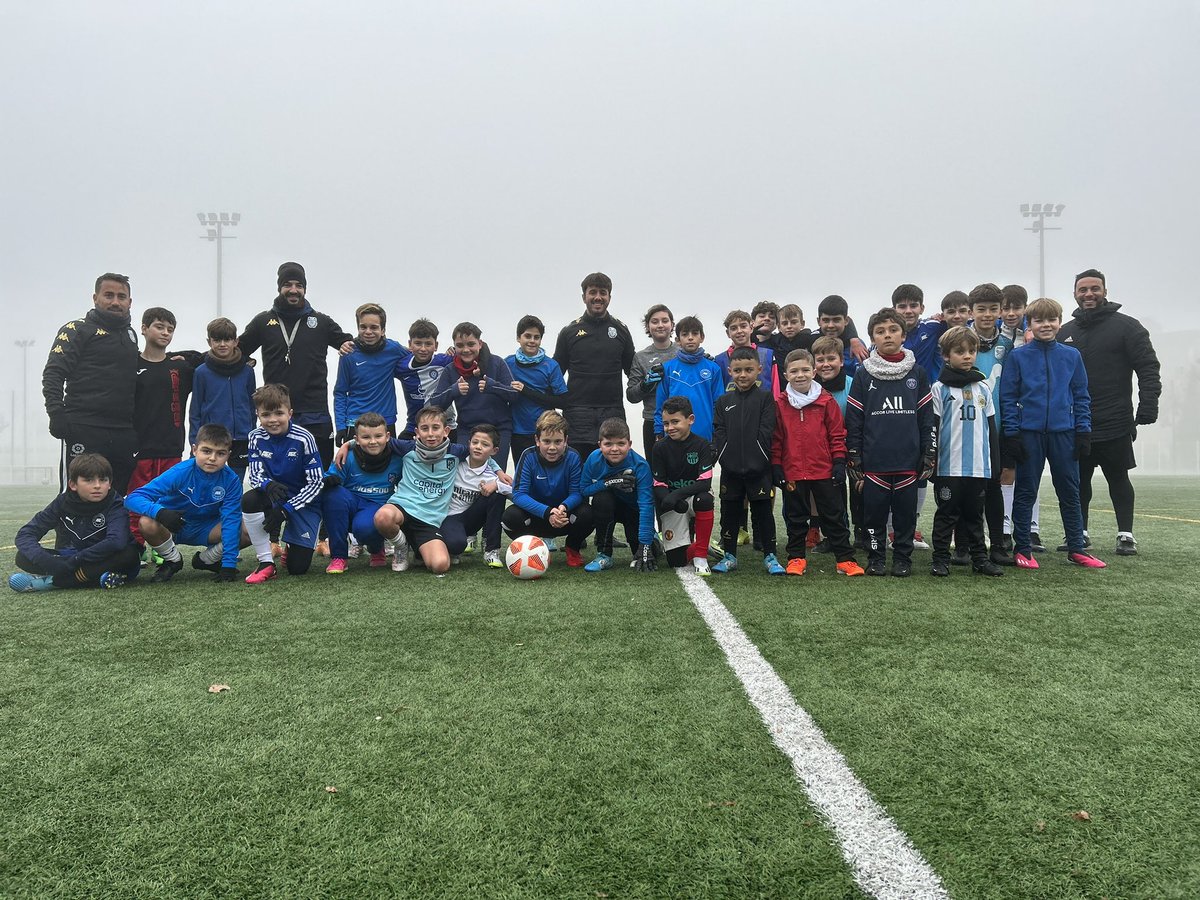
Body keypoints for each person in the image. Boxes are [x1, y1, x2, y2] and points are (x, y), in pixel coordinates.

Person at [1056, 268, 1162, 556]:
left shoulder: (1128, 327)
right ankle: (1079, 533)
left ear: (1104, 291)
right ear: (1075, 294)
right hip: (1076, 423)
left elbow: (1148, 367)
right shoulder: (1065, 332)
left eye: (1095, 288)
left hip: (1115, 421)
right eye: (1083, 289)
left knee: (1118, 478)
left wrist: (1148, 405)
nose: (1089, 294)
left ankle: (1125, 535)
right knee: (1078, 480)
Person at [999, 298, 1105, 569]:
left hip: (1064, 434)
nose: (1046, 325)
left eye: (1051, 320)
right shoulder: (1018, 356)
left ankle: (1076, 548)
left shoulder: (1072, 356)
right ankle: (1023, 549)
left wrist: (1083, 431)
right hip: (1029, 435)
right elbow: (1008, 397)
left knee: (1070, 491)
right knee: (1026, 492)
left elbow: (1081, 395)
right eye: (1039, 320)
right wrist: (1012, 433)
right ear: (1030, 325)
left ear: (1059, 322)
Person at [845, 308, 936, 577]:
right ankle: (876, 558)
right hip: (875, 463)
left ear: (903, 335)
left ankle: (903, 559)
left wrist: (928, 452)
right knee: (873, 516)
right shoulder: (864, 374)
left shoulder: (917, 374)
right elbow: (855, 419)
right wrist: (855, 455)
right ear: (872, 338)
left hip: (908, 461)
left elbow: (926, 418)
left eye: (893, 330)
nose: (887, 335)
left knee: (905, 516)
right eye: (880, 331)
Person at [238, 262, 353, 470]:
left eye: (298, 285)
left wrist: (403, 352)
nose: (293, 290)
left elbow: (352, 343)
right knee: (280, 475)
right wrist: (189, 358)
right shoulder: (263, 322)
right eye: (287, 285)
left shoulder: (321, 322)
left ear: (305, 289)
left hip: (315, 413)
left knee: (321, 474)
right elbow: (233, 350)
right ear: (279, 288)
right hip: (277, 414)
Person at [42, 273, 139, 493]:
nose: (115, 302)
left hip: (122, 431)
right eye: (109, 295)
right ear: (95, 298)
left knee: (117, 497)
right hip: (83, 427)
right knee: (76, 495)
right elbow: (53, 374)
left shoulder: (131, 334)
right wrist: (56, 414)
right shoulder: (76, 329)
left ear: (129, 302)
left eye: (121, 296)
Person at [772, 350, 865, 577]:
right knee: (795, 518)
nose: (800, 375)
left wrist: (839, 462)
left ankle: (845, 559)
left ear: (814, 372)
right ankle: (796, 558)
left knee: (834, 516)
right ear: (786, 375)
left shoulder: (826, 401)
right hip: (793, 471)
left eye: (805, 370)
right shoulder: (780, 404)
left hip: (824, 470)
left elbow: (836, 434)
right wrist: (776, 465)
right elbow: (776, 439)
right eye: (794, 371)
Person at [125, 424, 247, 583]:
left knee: (246, 530)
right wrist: (160, 513)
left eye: (220, 453)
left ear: (228, 455)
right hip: (173, 526)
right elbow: (133, 498)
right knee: (147, 522)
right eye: (207, 451)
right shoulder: (180, 472)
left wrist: (229, 565)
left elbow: (231, 520)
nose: (212, 458)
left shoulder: (231, 481)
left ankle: (207, 560)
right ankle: (173, 560)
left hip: (208, 529)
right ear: (195, 450)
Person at [928, 328, 1004, 577]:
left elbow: (991, 428)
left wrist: (995, 463)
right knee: (946, 515)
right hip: (948, 466)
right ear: (946, 356)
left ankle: (980, 560)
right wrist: (931, 462)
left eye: (971, 351)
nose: (967, 356)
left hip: (978, 467)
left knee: (975, 516)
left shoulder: (983, 388)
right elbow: (933, 428)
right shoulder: (939, 389)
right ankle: (940, 559)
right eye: (960, 352)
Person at [10, 453, 140, 593]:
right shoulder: (62, 502)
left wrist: (76, 559)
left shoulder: (116, 504)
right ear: (73, 484)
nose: (97, 486)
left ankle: (53, 582)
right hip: (73, 558)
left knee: (129, 554)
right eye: (89, 480)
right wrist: (48, 562)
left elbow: (115, 541)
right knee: (22, 557)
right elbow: (26, 534)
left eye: (103, 480)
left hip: (104, 558)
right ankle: (95, 579)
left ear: (110, 484)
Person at [369, 405, 470, 576]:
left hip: (429, 519)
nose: (430, 434)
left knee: (440, 565)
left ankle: (416, 547)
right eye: (425, 428)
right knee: (382, 517)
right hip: (403, 507)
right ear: (417, 432)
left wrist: (497, 471)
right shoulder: (408, 448)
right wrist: (347, 445)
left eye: (435, 428)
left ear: (446, 431)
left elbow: (480, 453)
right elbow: (377, 440)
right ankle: (401, 547)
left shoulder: (456, 451)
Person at [240, 384, 325, 583]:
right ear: (258, 415)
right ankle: (266, 563)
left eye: (279, 413)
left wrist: (286, 510)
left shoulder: (305, 438)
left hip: (303, 502)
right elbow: (254, 474)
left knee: (297, 569)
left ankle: (291, 543)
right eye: (266, 414)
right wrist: (267, 485)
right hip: (274, 496)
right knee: (250, 499)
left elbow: (316, 483)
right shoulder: (255, 437)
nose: (273, 420)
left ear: (290, 413)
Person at [710, 347, 783, 575]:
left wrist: (759, 459)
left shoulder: (765, 398)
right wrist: (725, 458)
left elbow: (767, 431)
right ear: (730, 371)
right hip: (731, 470)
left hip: (759, 469)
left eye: (749, 370)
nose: (743, 375)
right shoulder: (723, 401)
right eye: (738, 370)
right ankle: (730, 555)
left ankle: (770, 556)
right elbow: (719, 432)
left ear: (759, 370)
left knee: (763, 514)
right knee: (730, 514)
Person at [128, 307, 195, 552]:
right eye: (159, 326)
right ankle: (135, 549)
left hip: (171, 446)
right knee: (137, 502)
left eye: (170, 329)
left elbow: (209, 359)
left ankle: (162, 550)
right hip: (139, 449)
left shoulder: (181, 368)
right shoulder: (130, 365)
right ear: (144, 329)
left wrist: (185, 356)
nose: (165, 333)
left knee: (166, 502)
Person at [553, 272, 636, 461]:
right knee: (577, 473)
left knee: (612, 472)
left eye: (603, 292)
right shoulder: (569, 332)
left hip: (612, 410)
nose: (598, 297)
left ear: (609, 297)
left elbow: (633, 372)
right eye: (592, 292)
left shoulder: (621, 330)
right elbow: (555, 374)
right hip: (577, 413)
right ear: (584, 297)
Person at [503, 411, 594, 567]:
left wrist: (563, 507)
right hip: (538, 517)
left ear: (566, 440)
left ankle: (572, 547)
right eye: (547, 441)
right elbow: (518, 494)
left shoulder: (573, 456)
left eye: (558, 441)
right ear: (537, 440)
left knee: (589, 514)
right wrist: (548, 512)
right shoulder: (528, 456)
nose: (552, 447)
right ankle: (534, 548)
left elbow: (577, 493)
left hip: (563, 517)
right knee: (510, 518)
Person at [966, 284, 1016, 565]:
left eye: (992, 309)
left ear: (1000, 311)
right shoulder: (959, 340)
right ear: (971, 311)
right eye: (981, 309)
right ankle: (965, 545)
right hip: (967, 427)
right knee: (968, 488)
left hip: (997, 426)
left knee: (995, 485)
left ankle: (998, 543)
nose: (987, 315)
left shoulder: (1007, 345)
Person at [319, 412, 406, 573]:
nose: (373, 442)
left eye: (378, 436)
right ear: (357, 439)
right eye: (366, 437)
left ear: (387, 436)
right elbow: (328, 478)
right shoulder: (346, 456)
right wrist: (329, 480)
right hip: (350, 504)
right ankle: (339, 557)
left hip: (376, 506)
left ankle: (376, 548)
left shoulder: (398, 458)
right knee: (332, 495)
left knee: (364, 529)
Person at [429, 322, 517, 467]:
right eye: (460, 345)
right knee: (464, 476)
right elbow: (435, 404)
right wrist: (453, 391)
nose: (466, 349)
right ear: (454, 346)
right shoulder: (450, 370)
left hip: (498, 430)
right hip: (467, 430)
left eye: (471, 344)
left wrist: (492, 386)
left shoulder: (496, 363)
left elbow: (514, 395)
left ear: (480, 343)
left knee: (495, 477)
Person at [579, 418, 657, 572]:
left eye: (621, 443)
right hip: (608, 508)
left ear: (630, 444)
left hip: (632, 510)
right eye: (608, 444)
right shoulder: (594, 459)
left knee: (644, 552)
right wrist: (609, 482)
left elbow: (646, 505)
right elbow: (583, 490)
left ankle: (654, 542)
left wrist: (645, 546)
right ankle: (604, 554)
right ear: (600, 445)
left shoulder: (640, 465)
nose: (614, 449)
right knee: (602, 498)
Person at [651, 397, 716, 574]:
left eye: (675, 422)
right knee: (676, 562)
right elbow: (659, 484)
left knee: (705, 499)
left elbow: (704, 482)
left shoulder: (702, 445)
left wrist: (676, 495)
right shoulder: (659, 448)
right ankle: (700, 545)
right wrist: (670, 499)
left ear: (691, 420)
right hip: (673, 504)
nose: (670, 428)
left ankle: (701, 555)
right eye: (666, 423)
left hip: (693, 497)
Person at [332, 303, 411, 443]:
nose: (368, 332)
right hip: (355, 422)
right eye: (363, 327)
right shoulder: (348, 353)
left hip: (386, 421)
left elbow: (420, 356)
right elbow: (340, 392)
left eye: (374, 327)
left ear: (383, 330)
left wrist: (449, 355)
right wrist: (340, 427)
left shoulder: (394, 349)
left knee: (389, 465)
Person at [189, 317, 257, 478]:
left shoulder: (248, 371)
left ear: (236, 341)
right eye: (217, 340)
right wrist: (195, 442)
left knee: (235, 483)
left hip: (242, 437)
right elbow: (195, 410)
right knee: (210, 482)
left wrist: (252, 433)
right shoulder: (201, 372)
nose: (222, 344)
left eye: (227, 339)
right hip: (212, 438)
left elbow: (251, 405)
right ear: (209, 342)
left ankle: (232, 505)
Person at [813, 335, 863, 549]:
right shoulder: (811, 389)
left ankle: (862, 535)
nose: (826, 364)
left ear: (842, 361)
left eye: (831, 359)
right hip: (825, 453)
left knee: (859, 492)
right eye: (820, 359)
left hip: (853, 449)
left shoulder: (854, 385)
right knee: (832, 496)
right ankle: (834, 537)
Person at [441, 424, 513, 568]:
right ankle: (454, 545)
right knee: (456, 545)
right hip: (448, 517)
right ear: (469, 444)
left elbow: (515, 493)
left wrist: (497, 484)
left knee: (497, 495)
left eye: (485, 444)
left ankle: (492, 551)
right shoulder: (456, 461)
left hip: (470, 518)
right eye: (475, 442)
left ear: (494, 451)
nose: (478, 447)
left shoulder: (492, 475)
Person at [507, 315, 569, 464]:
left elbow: (563, 401)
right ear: (518, 338)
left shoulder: (551, 366)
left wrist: (525, 390)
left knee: (546, 477)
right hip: (518, 432)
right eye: (527, 336)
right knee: (523, 477)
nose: (532, 341)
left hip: (546, 433)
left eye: (537, 337)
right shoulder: (507, 363)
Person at [652, 316, 725, 442]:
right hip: (673, 436)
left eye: (695, 333)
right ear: (678, 340)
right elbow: (661, 404)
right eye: (685, 334)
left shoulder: (713, 369)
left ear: (702, 337)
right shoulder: (668, 369)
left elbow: (718, 404)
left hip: (705, 436)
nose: (690, 337)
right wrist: (659, 431)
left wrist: (717, 433)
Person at [626, 304, 677, 456]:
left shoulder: (684, 353)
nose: (660, 325)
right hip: (652, 422)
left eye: (664, 321)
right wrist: (645, 385)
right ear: (648, 327)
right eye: (655, 321)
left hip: (682, 421)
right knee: (656, 473)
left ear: (672, 325)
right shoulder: (641, 357)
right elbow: (631, 395)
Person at [397, 318, 455, 439]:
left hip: (445, 426)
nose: (423, 349)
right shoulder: (400, 366)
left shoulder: (444, 361)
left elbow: (473, 353)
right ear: (410, 344)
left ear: (436, 345)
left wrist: (455, 349)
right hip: (414, 425)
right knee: (398, 448)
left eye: (428, 344)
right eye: (418, 343)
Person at [714, 309, 776, 395]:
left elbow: (775, 388)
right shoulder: (719, 360)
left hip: (763, 407)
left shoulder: (768, 355)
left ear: (751, 328)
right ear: (728, 333)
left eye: (743, 326)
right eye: (734, 328)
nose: (739, 331)